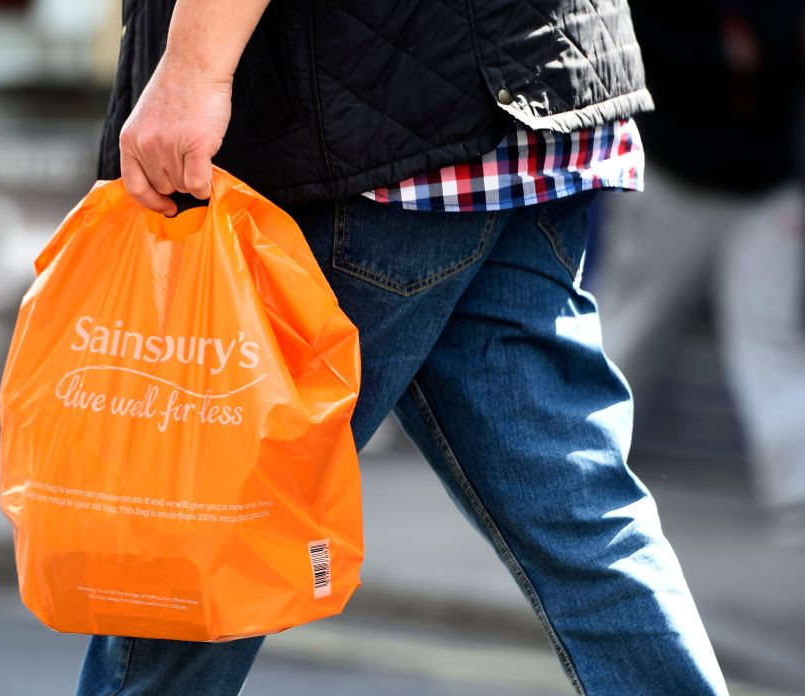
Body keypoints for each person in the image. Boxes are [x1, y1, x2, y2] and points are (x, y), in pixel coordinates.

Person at [77, 1, 730, 694]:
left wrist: (190, 73)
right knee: (579, 520)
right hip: (528, 106)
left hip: (371, 134)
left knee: (209, 525)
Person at [589, 0, 805, 547]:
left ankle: (797, 494)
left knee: (771, 340)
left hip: (763, 185)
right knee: (628, 331)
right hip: (675, 178)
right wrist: (725, 57)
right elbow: (633, 53)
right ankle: (573, 470)